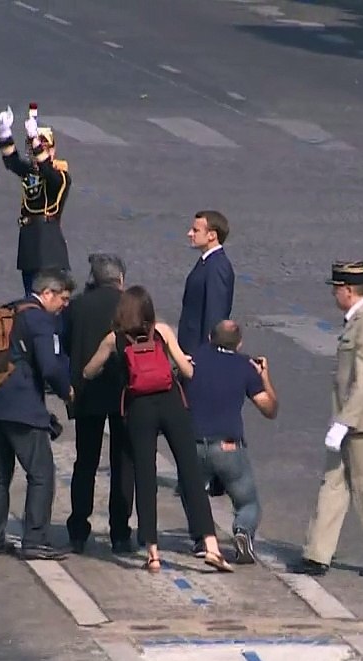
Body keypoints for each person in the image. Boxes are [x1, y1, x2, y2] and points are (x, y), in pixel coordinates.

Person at [82, 286, 233, 573]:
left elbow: (89, 370)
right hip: (172, 404)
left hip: (139, 409)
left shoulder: (114, 340)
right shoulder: (162, 331)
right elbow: (188, 372)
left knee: (145, 476)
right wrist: (181, 364)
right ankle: (211, 545)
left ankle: (152, 552)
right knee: (189, 472)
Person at [290, 261, 363, 577]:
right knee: (333, 483)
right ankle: (317, 554)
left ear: (348, 290)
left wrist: (344, 422)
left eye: (336, 288)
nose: (333, 294)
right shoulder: (358, 321)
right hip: (349, 416)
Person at [0, 269, 74, 561]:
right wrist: (67, 391)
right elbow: (50, 367)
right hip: (19, 407)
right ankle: (35, 539)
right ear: (47, 293)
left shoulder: (11, 309)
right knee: (41, 473)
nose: (64, 305)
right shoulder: (40, 320)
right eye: (62, 298)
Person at [185, 320, 278, 563]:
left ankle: (201, 539)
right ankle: (243, 531)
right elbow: (269, 409)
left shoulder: (193, 360)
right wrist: (264, 376)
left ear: (209, 337)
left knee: (193, 493)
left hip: (193, 444)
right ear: (239, 343)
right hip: (228, 446)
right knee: (247, 501)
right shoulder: (245, 366)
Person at [64, 254, 134, 554]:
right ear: (120, 279)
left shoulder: (77, 305)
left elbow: (65, 343)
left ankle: (79, 528)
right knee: (123, 463)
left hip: (88, 391)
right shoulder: (130, 305)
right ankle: (120, 532)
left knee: (85, 462)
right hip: (123, 392)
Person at [0, 104, 71, 296]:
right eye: (34, 148)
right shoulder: (31, 172)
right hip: (29, 244)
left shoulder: (61, 177)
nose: (36, 153)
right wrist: (5, 133)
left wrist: (35, 140)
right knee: (31, 298)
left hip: (48, 247)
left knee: (51, 300)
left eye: (45, 147)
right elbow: (12, 161)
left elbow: (47, 171)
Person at [177, 210, 234, 352]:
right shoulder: (207, 262)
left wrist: (208, 354)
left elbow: (215, 314)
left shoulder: (217, 267)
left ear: (212, 235)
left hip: (198, 351)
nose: (190, 234)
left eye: (196, 230)